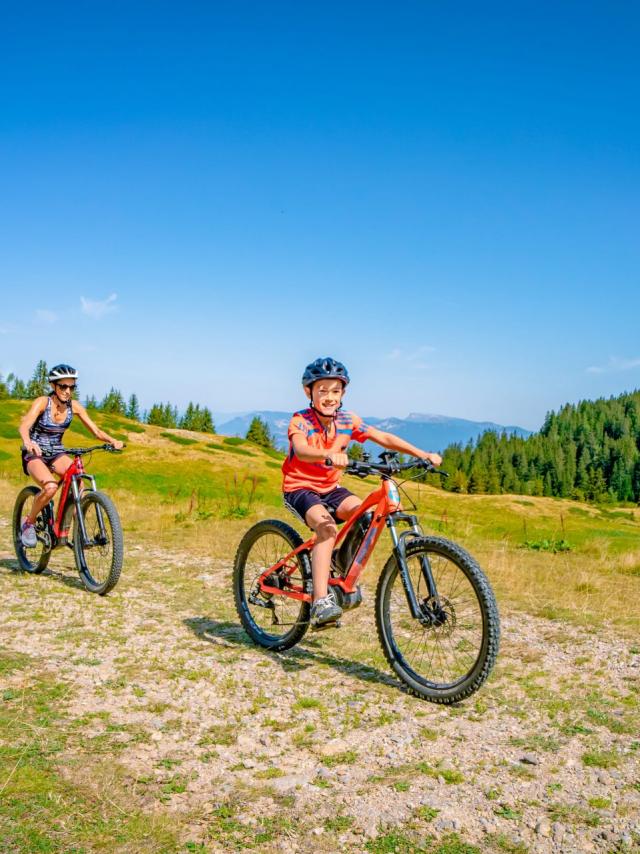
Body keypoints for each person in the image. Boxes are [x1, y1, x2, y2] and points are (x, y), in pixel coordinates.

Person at [282, 357, 442, 628]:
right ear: (309, 392)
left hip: (331, 488)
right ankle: (321, 601)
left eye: (335, 391)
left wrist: (422, 454)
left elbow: (384, 438)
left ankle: (337, 564)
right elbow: (301, 450)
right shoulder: (301, 420)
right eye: (323, 391)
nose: (329, 397)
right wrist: (328, 454)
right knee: (327, 528)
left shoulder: (347, 420)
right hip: (300, 487)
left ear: (343, 393)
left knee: (367, 517)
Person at [18, 364, 124, 547]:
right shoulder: (43, 402)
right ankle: (29, 522)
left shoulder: (74, 407)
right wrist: (28, 442)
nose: (68, 391)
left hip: (57, 453)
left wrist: (112, 440)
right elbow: (24, 425)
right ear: (53, 386)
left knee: (78, 481)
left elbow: (96, 431)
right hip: (35, 454)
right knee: (50, 487)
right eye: (63, 386)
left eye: (72, 387)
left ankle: (76, 529)